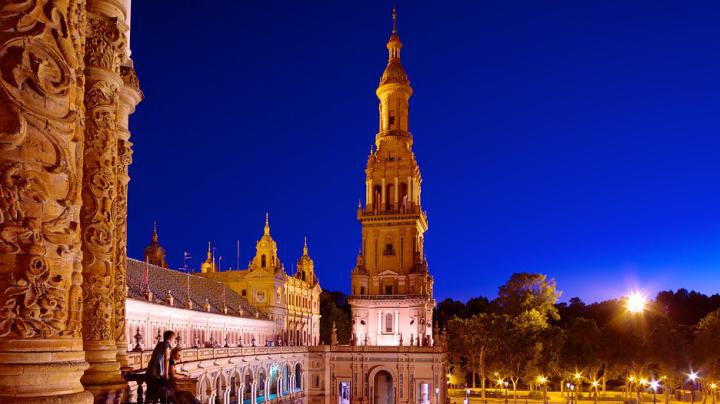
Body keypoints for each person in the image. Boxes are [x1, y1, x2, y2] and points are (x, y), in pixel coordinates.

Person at [146, 330, 175, 403]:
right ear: (171, 338)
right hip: (156, 372)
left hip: (150, 371)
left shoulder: (159, 344)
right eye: (174, 339)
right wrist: (165, 374)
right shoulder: (167, 344)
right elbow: (167, 359)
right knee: (161, 391)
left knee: (151, 394)